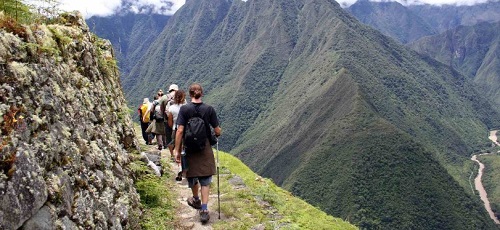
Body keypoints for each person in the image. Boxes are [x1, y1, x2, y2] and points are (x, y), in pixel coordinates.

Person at [175, 83, 221, 224]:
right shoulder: (209, 110)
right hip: (204, 147)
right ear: (202, 94)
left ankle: (195, 199)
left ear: (190, 95)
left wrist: (177, 150)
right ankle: (205, 209)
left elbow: (180, 130)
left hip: (189, 148)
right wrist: (216, 134)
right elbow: (217, 130)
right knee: (205, 179)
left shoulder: (184, 109)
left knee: (192, 175)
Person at [160, 84, 179, 157]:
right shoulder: (180, 96)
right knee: (178, 137)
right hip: (178, 121)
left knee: (169, 137)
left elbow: (161, 109)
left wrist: (164, 117)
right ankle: (178, 153)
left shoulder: (164, 97)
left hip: (167, 121)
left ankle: (172, 154)